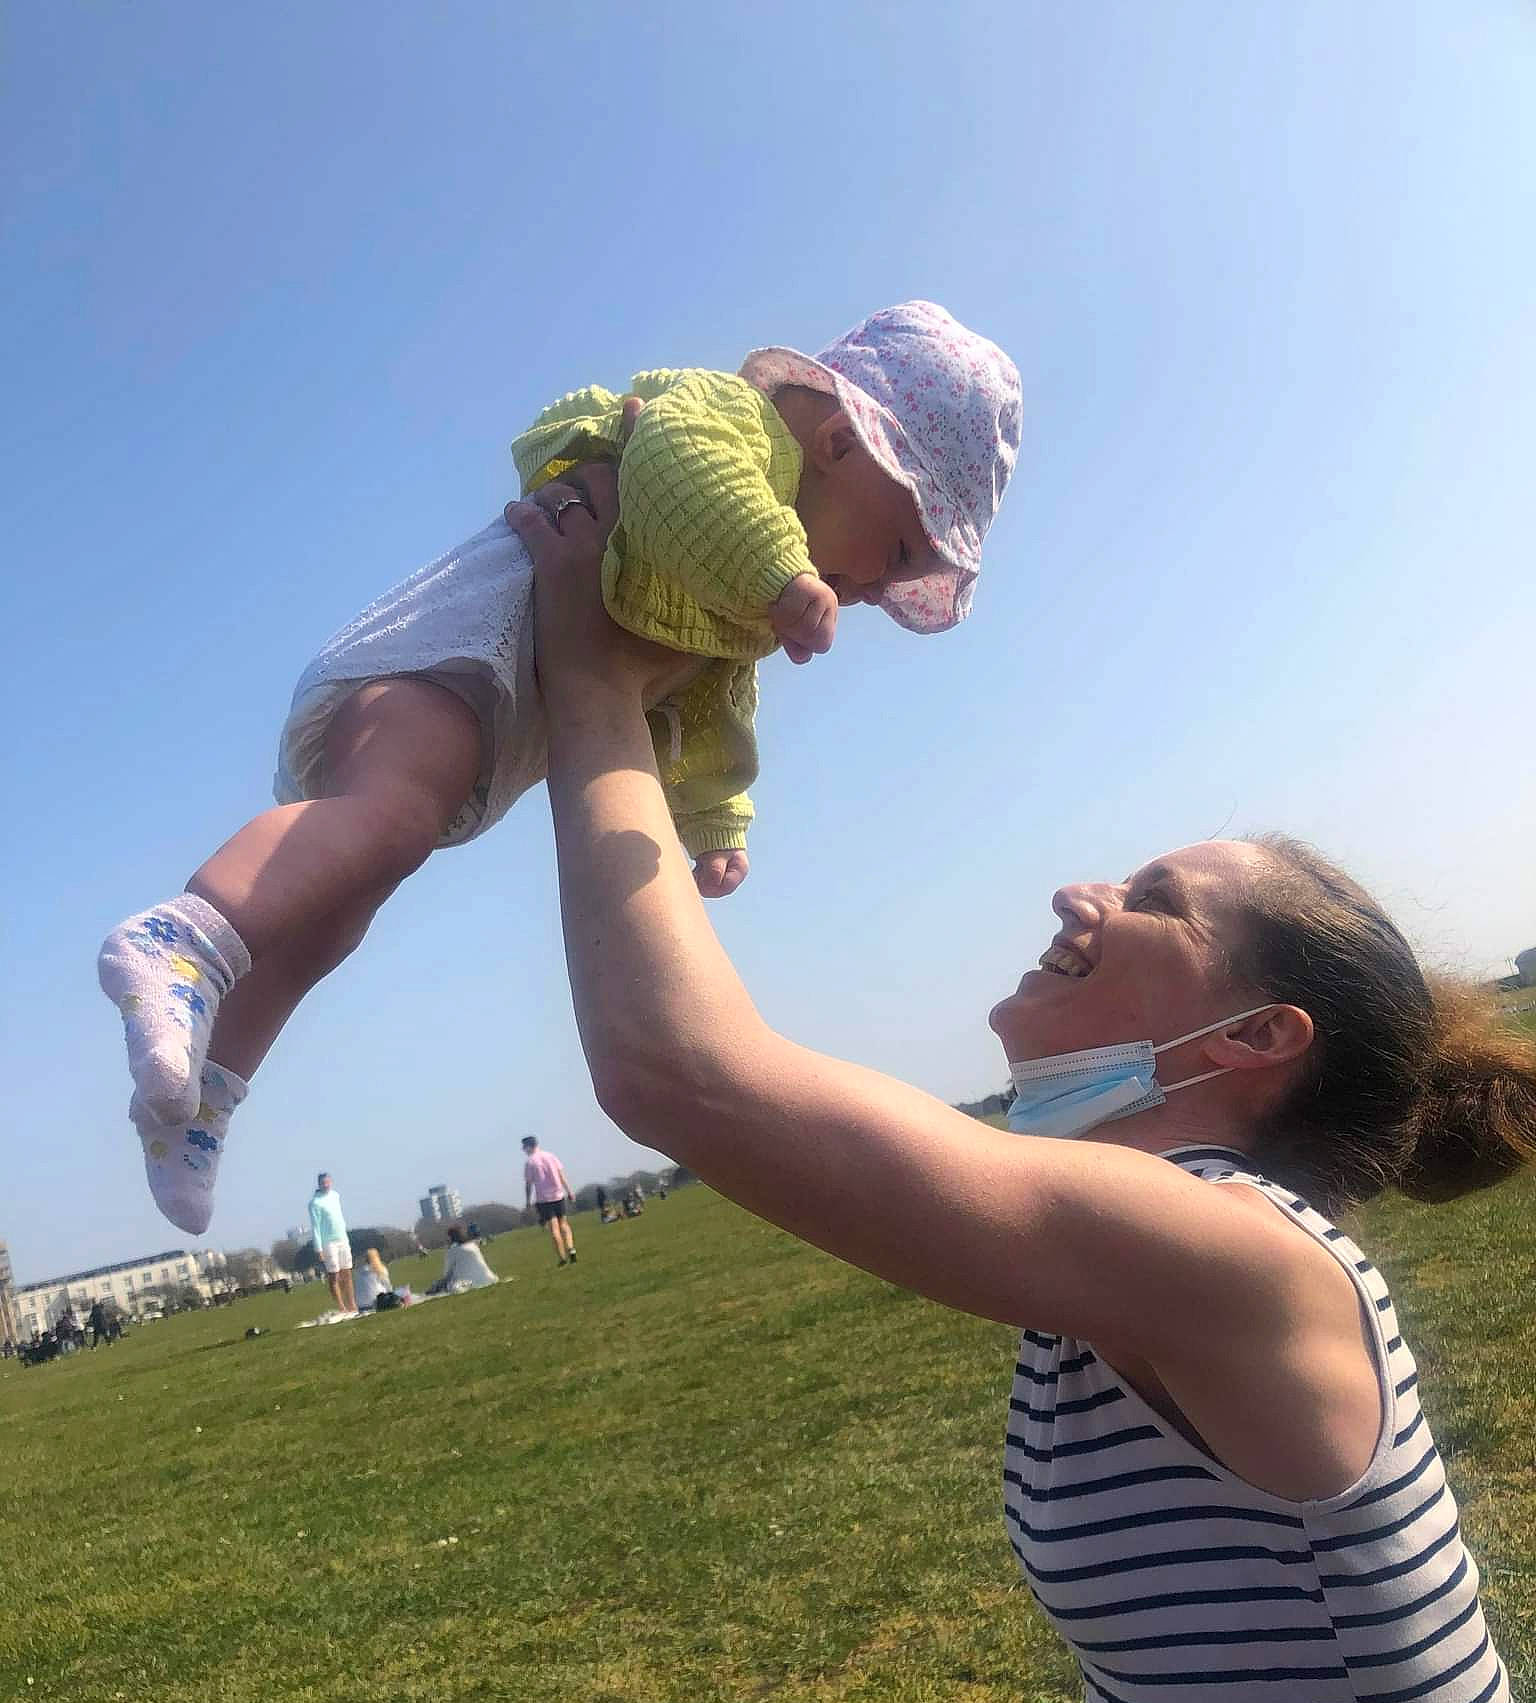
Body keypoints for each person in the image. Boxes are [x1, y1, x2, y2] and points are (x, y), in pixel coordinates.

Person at [507, 471, 1536, 1703]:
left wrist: (590, 684)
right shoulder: (1121, 1257)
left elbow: (682, 1073)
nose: (1083, 892)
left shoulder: (1241, 1259)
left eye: (1155, 902)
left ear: (1256, 1038)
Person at [95, 302, 1022, 1237]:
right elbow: (672, 472)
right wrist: (781, 577)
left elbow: (711, 702)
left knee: (335, 913)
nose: (875, 591)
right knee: (391, 818)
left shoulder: (737, 596)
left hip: (490, 707)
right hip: (450, 653)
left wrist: (717, 816)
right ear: (838, 441)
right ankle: (185, 939)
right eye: (901, 550)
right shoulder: (728, 425)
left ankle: (202, 1097)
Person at [523, 1135, 577, 1266]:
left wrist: (528, 1201)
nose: (524, 1150)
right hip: (558, 1195)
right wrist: (569, 1191)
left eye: (524, 1147)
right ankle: (571, 1248)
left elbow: (529, 1184)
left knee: (554, 1229)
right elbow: (561, 1175)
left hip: (544, 1199)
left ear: (529, 1147)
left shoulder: (530, 1162)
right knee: (564, 1224)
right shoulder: (550, 1156)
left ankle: (562, 1257)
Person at [308, 1172, 355, 1316]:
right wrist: (319, 1248)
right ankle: (342, 1307)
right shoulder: (315, 1203)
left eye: (328, 1182)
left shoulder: (335, 1195)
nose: (326, 1185)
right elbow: (315, 1226)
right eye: (323, 1183)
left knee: (347, 1273)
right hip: (328, 1243)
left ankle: (352, 1304)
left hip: (342, 1238)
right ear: (319, 1184)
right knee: (334, 1275)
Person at [432, 1224, 499, 1293]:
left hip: (471, 1282)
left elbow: (447, 1273)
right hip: (490, 1278)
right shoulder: (473, 1245)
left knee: (442, 1285)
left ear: (451, 1238)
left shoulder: (452, 1251)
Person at [353, 1244, 393, 1311]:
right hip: (378, 1303)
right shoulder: (381, 1270)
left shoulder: (358, 1272)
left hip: (361, 1305)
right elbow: (389, 1288)